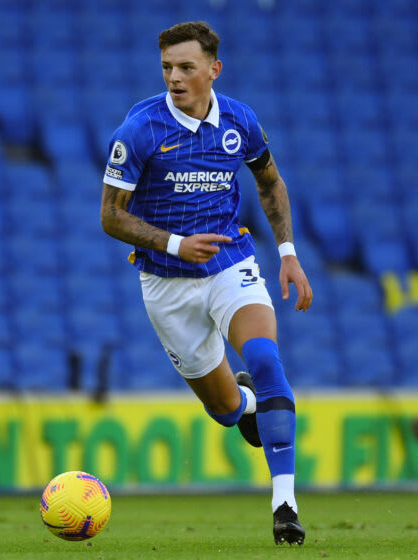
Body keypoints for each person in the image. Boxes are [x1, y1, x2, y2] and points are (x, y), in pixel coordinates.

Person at [99, 21, 312, 546]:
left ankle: (284, 503)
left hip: (229, 264)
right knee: (224, 411)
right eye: (168, 68)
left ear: (213, 70)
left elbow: (270, 183)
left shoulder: (240, 121)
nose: (175, 77)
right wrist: (174, 243)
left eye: (186, 67)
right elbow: (109, 216)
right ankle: (245, 407)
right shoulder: (140, 130)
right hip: (167, 285)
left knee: (265, 360)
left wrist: (288, 254)